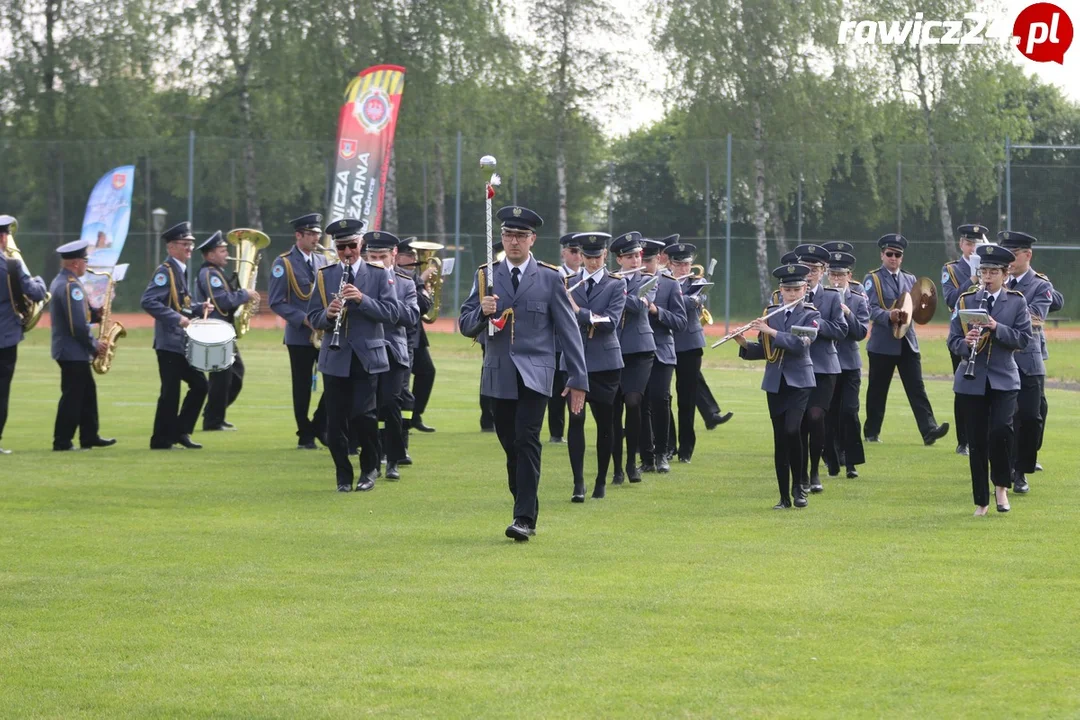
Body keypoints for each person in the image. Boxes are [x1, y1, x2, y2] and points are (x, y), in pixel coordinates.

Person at [459, 205, 587, 542]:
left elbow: (569, 330)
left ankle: (524, 518)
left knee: (527, 439)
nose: (513, 241)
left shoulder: (548, 277)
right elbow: (464, 323)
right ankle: (523, 498)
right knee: (510, 443)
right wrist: (481, 313)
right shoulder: (486, 274)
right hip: (499, 373)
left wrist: (578, 380)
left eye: (520, 235)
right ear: (501, 237)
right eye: (508, 234)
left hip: (536, 373)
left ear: (532, 239)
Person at [307, 218, 401, 492]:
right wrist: (327, 314)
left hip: (367, 356)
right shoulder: (325, 275)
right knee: (335, 422)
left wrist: (362, 299)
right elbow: (313, 316)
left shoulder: (379, 273)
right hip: (335, 356)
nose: (347, 253)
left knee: (364, 415)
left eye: (352, 246)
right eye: (341, 248)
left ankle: (369, 468)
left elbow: (393, 313)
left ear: (361, 244)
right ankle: (342, 475)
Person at [947, 244, 1031, 515]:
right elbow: (952, 341)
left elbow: (1023, 339)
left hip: (1004, 379)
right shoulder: (966, 301)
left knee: (1000, 432)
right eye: (984, 270)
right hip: (971, 380)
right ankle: (981, 500)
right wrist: (965, 343)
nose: (987, 276)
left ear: (1004, 274)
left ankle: (1001, 488)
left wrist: (996, 328)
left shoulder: (1016, 302)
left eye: (993, 271)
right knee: (977, 440)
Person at [735, 264, 821, 509]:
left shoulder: (811, 314)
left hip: (800, 382)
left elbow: (800, 345)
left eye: (796, 289)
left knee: (793, 430)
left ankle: (799, 487)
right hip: (775, 382)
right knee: (780, 439)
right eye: (787, 289)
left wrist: (770, 330)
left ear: (804, 288)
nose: (792, 294)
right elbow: (766, 351)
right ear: (780, 290)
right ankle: (784, 496)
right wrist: (744, 343)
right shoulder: (772, 312)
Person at [862, 233, 949, 445]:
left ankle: (929, 431)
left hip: (908, 342)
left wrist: (925, 308)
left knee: (917, 388)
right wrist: (888, 316)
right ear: (882, 255)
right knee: (877, 390)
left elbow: (917, 310)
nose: (893, 258)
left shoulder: (910, 279)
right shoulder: (872, 279)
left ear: (902, 257)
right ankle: (871, 432)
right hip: (883, 343)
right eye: (889, 254)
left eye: (897, 254)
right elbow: (869, 309)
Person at [562, 232, 624, 501]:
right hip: (576, 360)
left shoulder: (615, 284)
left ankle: (600, 479)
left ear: (605, 255)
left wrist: (579, 312)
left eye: (597, 257)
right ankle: (578, 483)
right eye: (587, 257)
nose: (592, 262)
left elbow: (610, 322)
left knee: (605, 423)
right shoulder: (568, 283)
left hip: (605, 364)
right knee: (575, 419)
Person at [141, 222, 208, 450]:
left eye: (191, 244)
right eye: (185, 244)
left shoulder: (179, 270)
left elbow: (182, 304)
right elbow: (148, 301)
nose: (190, 248)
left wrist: (199, 307)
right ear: (171, 247)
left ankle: (180, 432)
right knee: (170, 393)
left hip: (181, 343)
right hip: (169, 342)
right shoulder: (165, 271)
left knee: (200, 385)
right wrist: (176, 318)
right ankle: (161, 440)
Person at [788, 244, 847, 494]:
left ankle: (814, 471)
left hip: (824, 366)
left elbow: (842, 330)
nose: (809, 273)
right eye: (806, 268)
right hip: (797, 366)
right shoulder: (788, 294)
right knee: (799, 422)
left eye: (814, 269)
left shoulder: (832, 297)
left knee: (815, 417)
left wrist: (817, 325)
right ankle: (800, 474)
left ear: (823, 271)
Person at [998, 230, 1053, 495]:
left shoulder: (1040, 285)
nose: (1008, 259)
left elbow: (1036, 318)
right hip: (1000, 359)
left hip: (1029, 360)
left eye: (1013, 254)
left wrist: (1002, 318)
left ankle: (1023, 466)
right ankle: (1012, 471)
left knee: (1031, 417)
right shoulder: (996, 281)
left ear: (1027, 255)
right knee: (1006, 418)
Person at [268, 213, 330, 449]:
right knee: (302, 385)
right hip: (299, 334)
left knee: (334, 380)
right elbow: (276, 301)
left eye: (318, 233)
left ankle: (319, 424)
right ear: (299, 235)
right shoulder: (283, 263)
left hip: (324, 331)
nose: (316, 238)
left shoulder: (322, 261)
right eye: (312, 234)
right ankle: (305, 433)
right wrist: (304, 319)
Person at [48, 239, 116, 451]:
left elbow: (78, 315)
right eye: (85, 261)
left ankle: (89, 435)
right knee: (73, 396)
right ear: (76, 263)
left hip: (70, 350)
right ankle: (62, 441)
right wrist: (94, 345)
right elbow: (76, 324)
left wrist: (96, 314)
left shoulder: (63, 281)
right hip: (72, 351)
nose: (87, 265)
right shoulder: (71, 286)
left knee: (87, 392)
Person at [364, 231, 417, 481]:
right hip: (366, 350)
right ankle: (372, 460)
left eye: (382, 256)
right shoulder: (360, 281)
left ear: (393, 254)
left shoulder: (405, 283)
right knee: (368, 408)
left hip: (394, 351)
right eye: (372, 256)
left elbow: (411, 317)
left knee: (390, 404)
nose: (376, 261)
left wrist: (385, 301)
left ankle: (393, 458)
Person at [195, 231, 257, 432]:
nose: (226, 254)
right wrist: (244, 294)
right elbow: (221, 301)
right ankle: (212, 420)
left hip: (223, 331)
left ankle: (214, 415)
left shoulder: (217, 273)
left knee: (234, 374)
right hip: (215, 331)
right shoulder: (210, 274)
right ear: (210, 255)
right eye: (222, 251)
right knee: (221, 378)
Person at [610, 231, 655, 484]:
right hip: (612, 348)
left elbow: (639, 306)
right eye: (629, 257)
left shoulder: (650, 280)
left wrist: (617, 292)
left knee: (634, 401)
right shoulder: (608, 280)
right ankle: (617, 466)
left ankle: (632, 463)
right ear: (619, 259)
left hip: (640, 350)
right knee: (614, 409)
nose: (635, 261)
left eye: (637, 255)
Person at [0, 215, 48, 455]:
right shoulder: (12, 264)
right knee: (1, 392)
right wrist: (39, 279)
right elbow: (36, 292)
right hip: (5, 338)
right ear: (4, 237)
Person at [639, 238, 687, 474]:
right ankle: (646, 456)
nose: (644, 264)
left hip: (661, 350)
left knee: (660, 399)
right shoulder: (624, 282)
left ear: (659, 259)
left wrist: (657, 311)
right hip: (636, 351)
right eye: (640, 259)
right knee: (639, 403)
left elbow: (680, 322)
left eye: (649, 260)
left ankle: (662, 453)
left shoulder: (669, 284)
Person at [821, 246, 868, 479]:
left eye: (841, 275)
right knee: (829, 413)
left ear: (850, 276)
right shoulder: (824, 297)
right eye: (833, 274)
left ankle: (852, 462)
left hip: (849, 364)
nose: (837, 279)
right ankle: (832, 459)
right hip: (829, 365)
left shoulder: (858, 300)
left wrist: (848, 313)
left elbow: (860, 333)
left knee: (849, 412)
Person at [941, 224, 987, 455]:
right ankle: (963, 440)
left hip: (987, 333)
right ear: (961, 244)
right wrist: (970, 280)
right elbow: (950, 299)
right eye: (969, 243)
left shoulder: (991, 267)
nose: (972, 248)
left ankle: (982, 435)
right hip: (962, 332)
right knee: (963, 386)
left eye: (977, 244)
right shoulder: (951, 269)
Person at [668, 242, 707, 463]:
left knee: (687, 398)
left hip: (690, 345)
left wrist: (670, 299)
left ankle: (686, 448)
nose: (684, 268)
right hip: (666, 343)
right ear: (670, 264)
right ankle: (668, 444)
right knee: (662, 397)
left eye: (687, 263)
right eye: (679, 264)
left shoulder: (697, 282)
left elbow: (693, 303)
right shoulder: (663, 281)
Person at [396, 238, 437, 434]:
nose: (414, 258)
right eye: (410, 255)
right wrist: (422, 279)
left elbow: (423, 306)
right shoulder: (404, 277)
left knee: (427, 372)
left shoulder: (414, 277)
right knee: (401, 384)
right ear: (398, 256)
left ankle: (415, 415)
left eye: (415, 255)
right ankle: (405, 422)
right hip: (401, 333)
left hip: (415, 332)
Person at [549, 233, 584, 444]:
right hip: (555, 340)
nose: (577, 256)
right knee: (556, 390)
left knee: (575, 385)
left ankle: (573, 430)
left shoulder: (584, 277)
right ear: (563, 253)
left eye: (580, 252)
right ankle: (556, 432)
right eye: (573, 251)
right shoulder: (556, 275)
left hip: (575, 340)